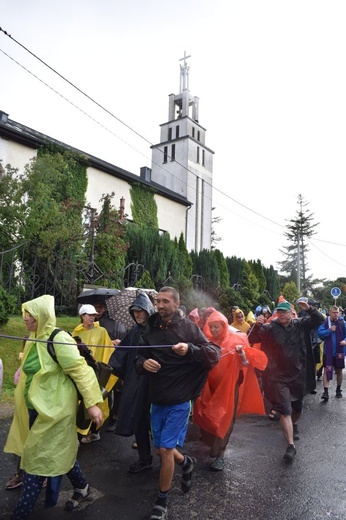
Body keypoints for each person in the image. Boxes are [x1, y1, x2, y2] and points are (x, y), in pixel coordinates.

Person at [4, 295, 103, 519]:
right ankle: (82, 487)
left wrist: (93, 404)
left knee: (34, 460)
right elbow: (31, 366)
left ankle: (20, 514)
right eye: (25, 314)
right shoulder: (33, 337)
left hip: (54, 411)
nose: (25, 319)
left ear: (42, 315)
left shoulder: (59, 339)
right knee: (59, 449)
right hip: (35, 409)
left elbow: (81, 370)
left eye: (29, 314)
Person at [135, 286, 220, 520]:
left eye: (165, 301)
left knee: (164, 450)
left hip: (180, 399)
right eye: (158, 301)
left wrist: (190, 349)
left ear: (176, 303)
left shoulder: (188, 328)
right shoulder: (150, 328)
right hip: (156, 397)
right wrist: (143, 364)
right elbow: (138, 355)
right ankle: (187, 463)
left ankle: (162, 501)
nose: (160, 305)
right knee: (163, 449)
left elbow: (214, 353)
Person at [248, 299, 325, 462]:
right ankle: (290, 446)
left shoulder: (300, 324)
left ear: (291, 313)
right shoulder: (269, 328)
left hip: (297, 374)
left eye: (285, 312)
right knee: (285, 409)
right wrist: (257, 325)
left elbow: (320, 320)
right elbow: (252, 338)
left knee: (297, 409)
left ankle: (292, 425)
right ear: (276, 314)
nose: (282, 315)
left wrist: (310, 308)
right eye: (280, 312)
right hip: (277, 375)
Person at [193, 311, 268, 471]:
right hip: (209, 387)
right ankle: (213, 446)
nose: (213, 330)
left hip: (229, 388)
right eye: (211, 327)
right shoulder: (206, 341)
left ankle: (220, 453)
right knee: (205, 415)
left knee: (226, 419)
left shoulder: (237, 339)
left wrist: (241, 353)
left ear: (223, 325)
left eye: (216, 327)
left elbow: (247, 364)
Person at [108, 291, 155, 473]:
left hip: (152, 383)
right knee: (139, 420)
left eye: (141, 310)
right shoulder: (134, 331)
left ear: (148, 311)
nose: (138, 314)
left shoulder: (155, 329)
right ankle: (145, 458)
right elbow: (123, 355)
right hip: (135, 381)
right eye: (135, 311)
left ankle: (171, 458)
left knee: (154, 422)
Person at [72, 304, 117, 443]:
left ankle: (94, 431)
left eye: (93, 315)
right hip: (83, 372)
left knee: (99, 400)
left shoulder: (102, 331)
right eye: (89, 315)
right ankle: (81, 430)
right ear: (82, 316)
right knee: (82, 400)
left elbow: (108, 349)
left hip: (99, 372)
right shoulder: (77, 332)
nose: (92, 317)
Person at [93, 298, 128, 432]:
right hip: (100, 360)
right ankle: (103, 413)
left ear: (105, 308)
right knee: (102, 388)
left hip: (115, 359)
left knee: (117, 389)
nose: (98, 310)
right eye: (96, 307)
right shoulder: (91, 321)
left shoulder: (115, 321)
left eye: (100, 307)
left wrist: (118, 342)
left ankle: (115, 416)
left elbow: (123, 336)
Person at [317, 305, 346, 400]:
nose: (336, 314)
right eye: (334, 312)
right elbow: (319, 333)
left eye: (337, 312)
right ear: (330, 313)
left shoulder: (342, 323)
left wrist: (345, 341)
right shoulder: (325, 323)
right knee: (326, 370)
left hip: (340, 352)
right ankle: (325, 392)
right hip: (328, 352)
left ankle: (338, 390)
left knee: (339, 371)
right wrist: (329, 330)